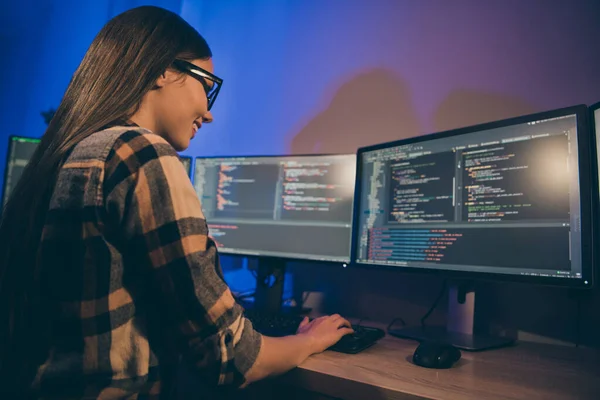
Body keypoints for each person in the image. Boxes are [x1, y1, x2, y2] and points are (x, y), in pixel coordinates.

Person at [0, 6, 353, 399]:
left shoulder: (69, 151)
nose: (209, 113)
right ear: (164, 71)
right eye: (208, 85)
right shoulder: (140, 152)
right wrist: (309, 339)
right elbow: (232, 358)